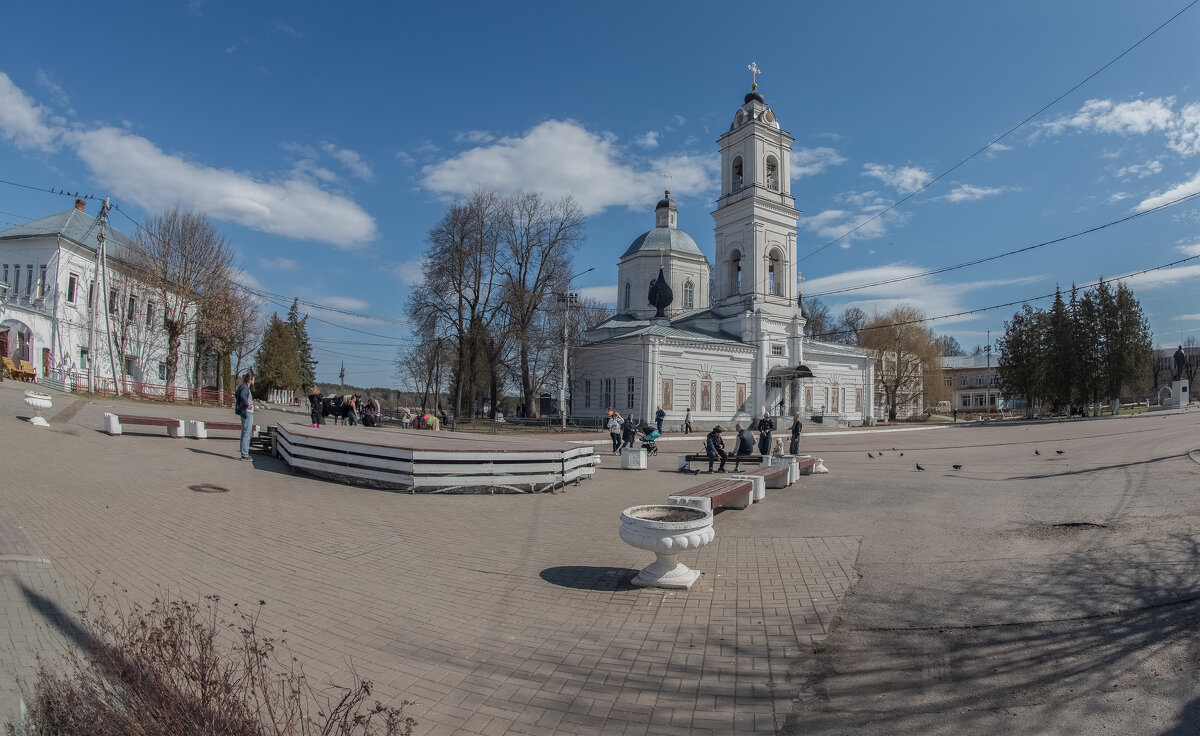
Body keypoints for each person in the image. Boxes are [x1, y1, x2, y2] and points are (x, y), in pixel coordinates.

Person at [235, 372, 255, 461]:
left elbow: (237, 394)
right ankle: (245, 454)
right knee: (247, 434)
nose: (254, 381)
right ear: (250, 380)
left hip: (244, 412)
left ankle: (243, 452)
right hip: (247, 413)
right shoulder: (245, 388)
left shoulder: (242, 386)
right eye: (253, 379)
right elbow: (243, 396)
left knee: (244, 433)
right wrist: (247, 404)